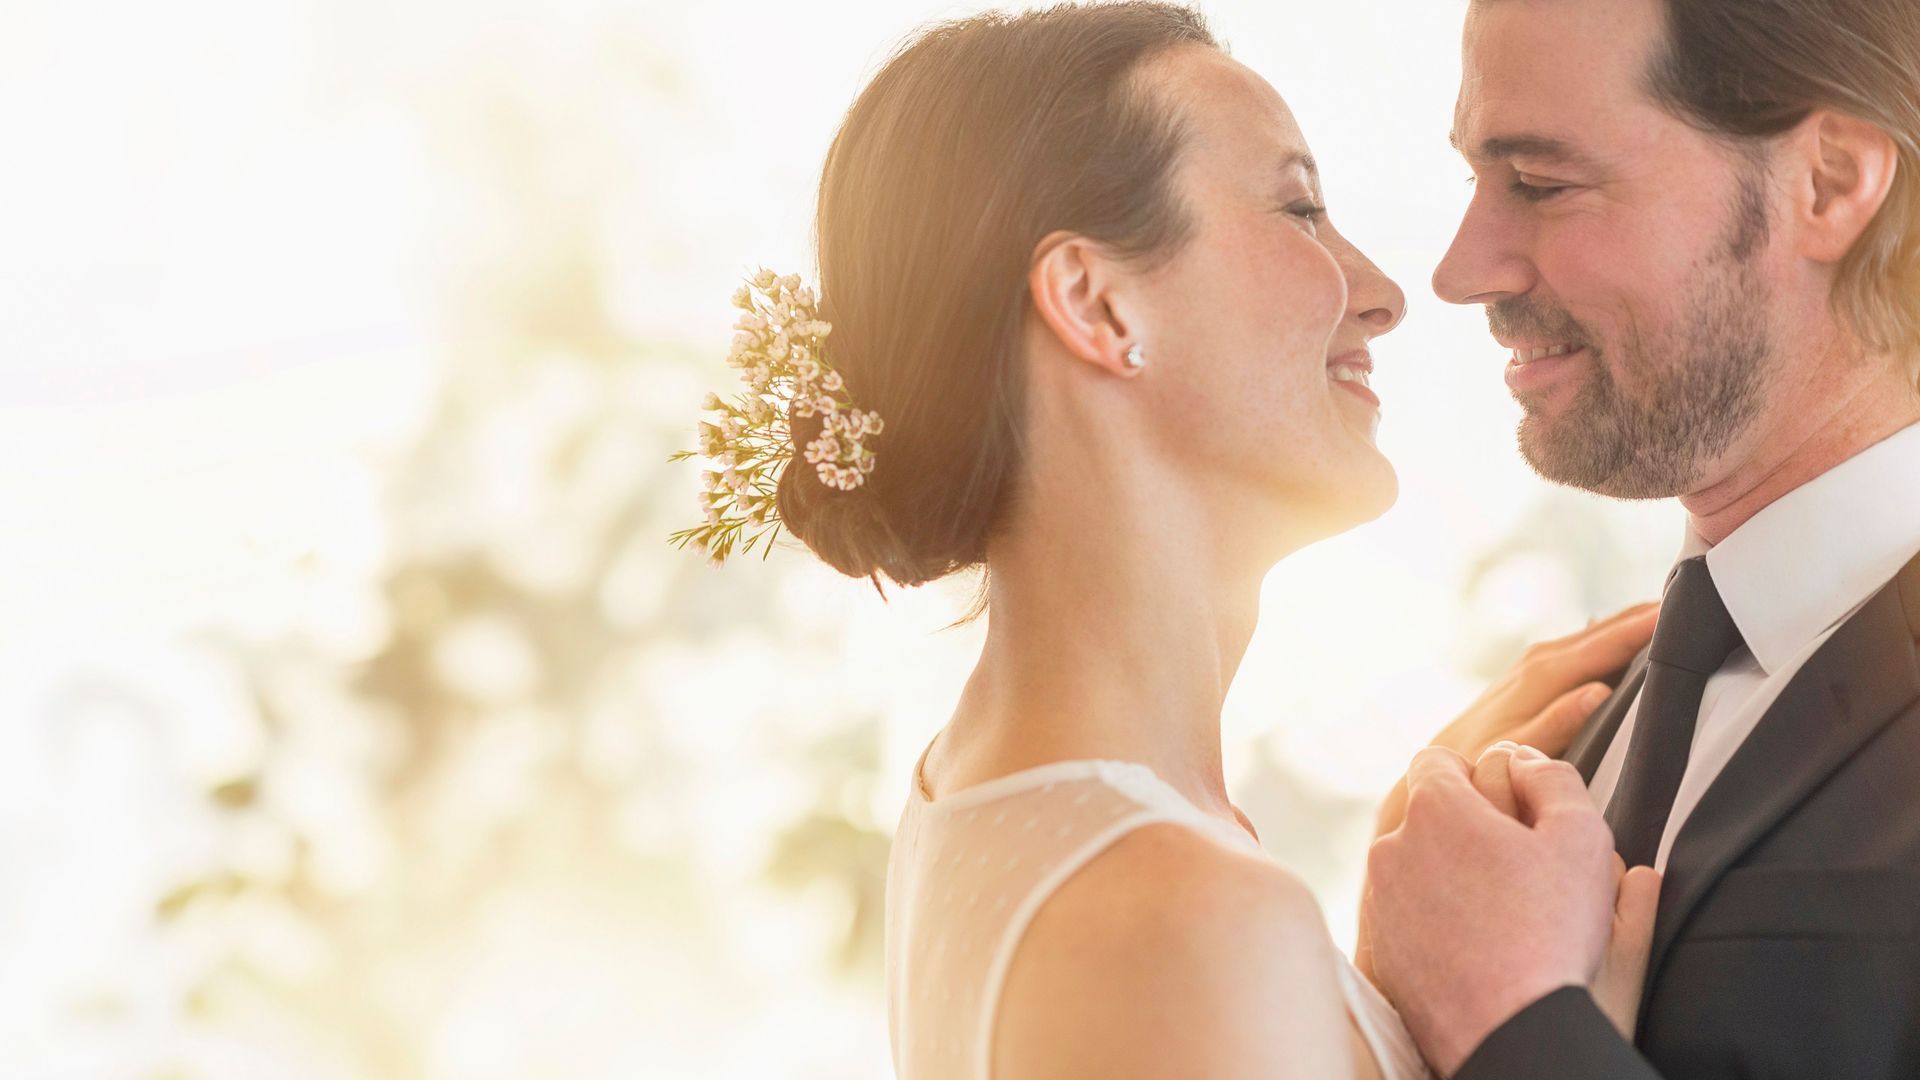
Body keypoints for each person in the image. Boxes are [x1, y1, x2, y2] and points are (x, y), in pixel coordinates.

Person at [679, 4, 1660, 1077]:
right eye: (1300, 209)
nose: (1381, 295)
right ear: (1095, 304)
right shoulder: (1188, 923)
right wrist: (1530, 1031)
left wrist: (1392, 946)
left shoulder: (993, 799)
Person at [1364, 0, 1920, 1076]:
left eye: (1538, 184)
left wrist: (1512, 1030)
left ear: (1830, 184)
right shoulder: (1561, 731)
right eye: (1474, 182)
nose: (1462, 268)